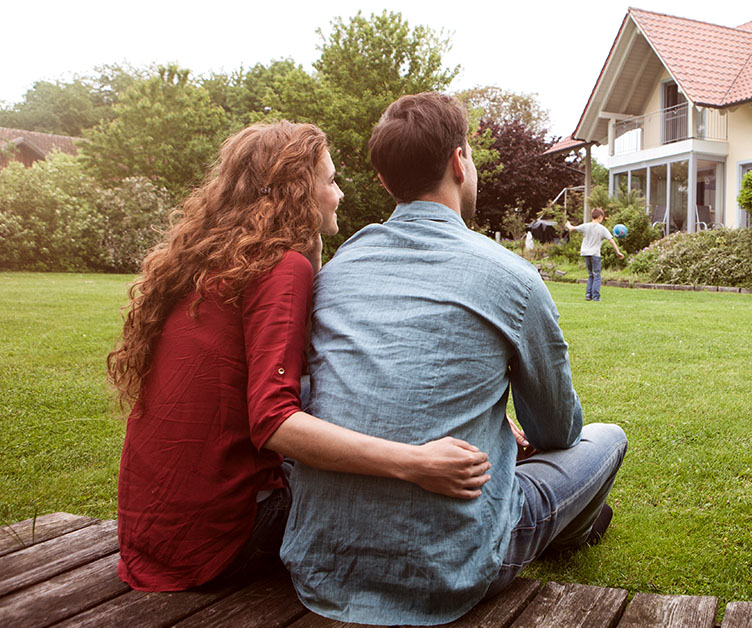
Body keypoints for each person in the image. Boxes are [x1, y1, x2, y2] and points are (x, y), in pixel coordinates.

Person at [281, 93, 628, 626]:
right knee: (606, 438)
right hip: (455, 566)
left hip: (321, 565)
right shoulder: (512, 277)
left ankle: (570, 519)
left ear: (383, 180)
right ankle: (573, 530)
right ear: (459, 161)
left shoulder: (339, 267)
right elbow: (557, 430)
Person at [107, 121, 491, 592]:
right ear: (297, 193)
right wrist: (414, 461)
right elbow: (274, 422)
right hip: (223, 542)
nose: (341, 194)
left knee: (320, 390)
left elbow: (312, 369)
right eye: (330, 181)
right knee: (380, 483)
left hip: (152, 537)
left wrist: (313, 251)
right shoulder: (279, 268)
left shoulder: (211, 261)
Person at [565, 208, 624, 301]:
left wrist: (568, 225)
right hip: (595, 254)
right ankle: (596, 297)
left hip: (585, 253)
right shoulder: (602, 228)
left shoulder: (585, 226)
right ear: (600, 217)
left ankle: (588, 295)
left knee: (590, 275)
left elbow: (572, 228)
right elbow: (611, 241)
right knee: (597, 275)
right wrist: (618, 252)